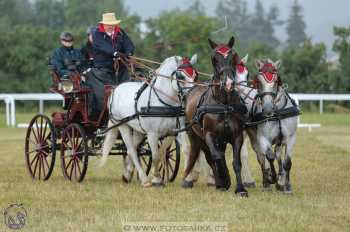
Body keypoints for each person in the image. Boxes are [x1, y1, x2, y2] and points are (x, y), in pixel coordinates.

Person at [86, 12, 135, 119]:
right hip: (102, 68)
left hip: (121, 66)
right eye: (109, 24)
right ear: (104, 24)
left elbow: (129, 44)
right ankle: (106, 109)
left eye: (112, 24)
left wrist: (129, 53)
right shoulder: (97, 34)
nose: (111, 26)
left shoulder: (120, 32)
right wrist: (115, 53)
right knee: (105, 92)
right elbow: (103, 47)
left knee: (132, 78)